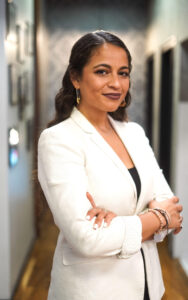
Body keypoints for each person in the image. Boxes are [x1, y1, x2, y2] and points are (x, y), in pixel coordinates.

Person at [38, 31, 183, 300]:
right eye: (103, 72)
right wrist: (156, 218)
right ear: (75, 77)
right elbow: (85, 237)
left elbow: (170, 206)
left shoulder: (134, 133)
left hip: (148, 286)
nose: (116, 83)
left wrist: (121, 221)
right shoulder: (59, 140)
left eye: (123, 73)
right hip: (94, 290)